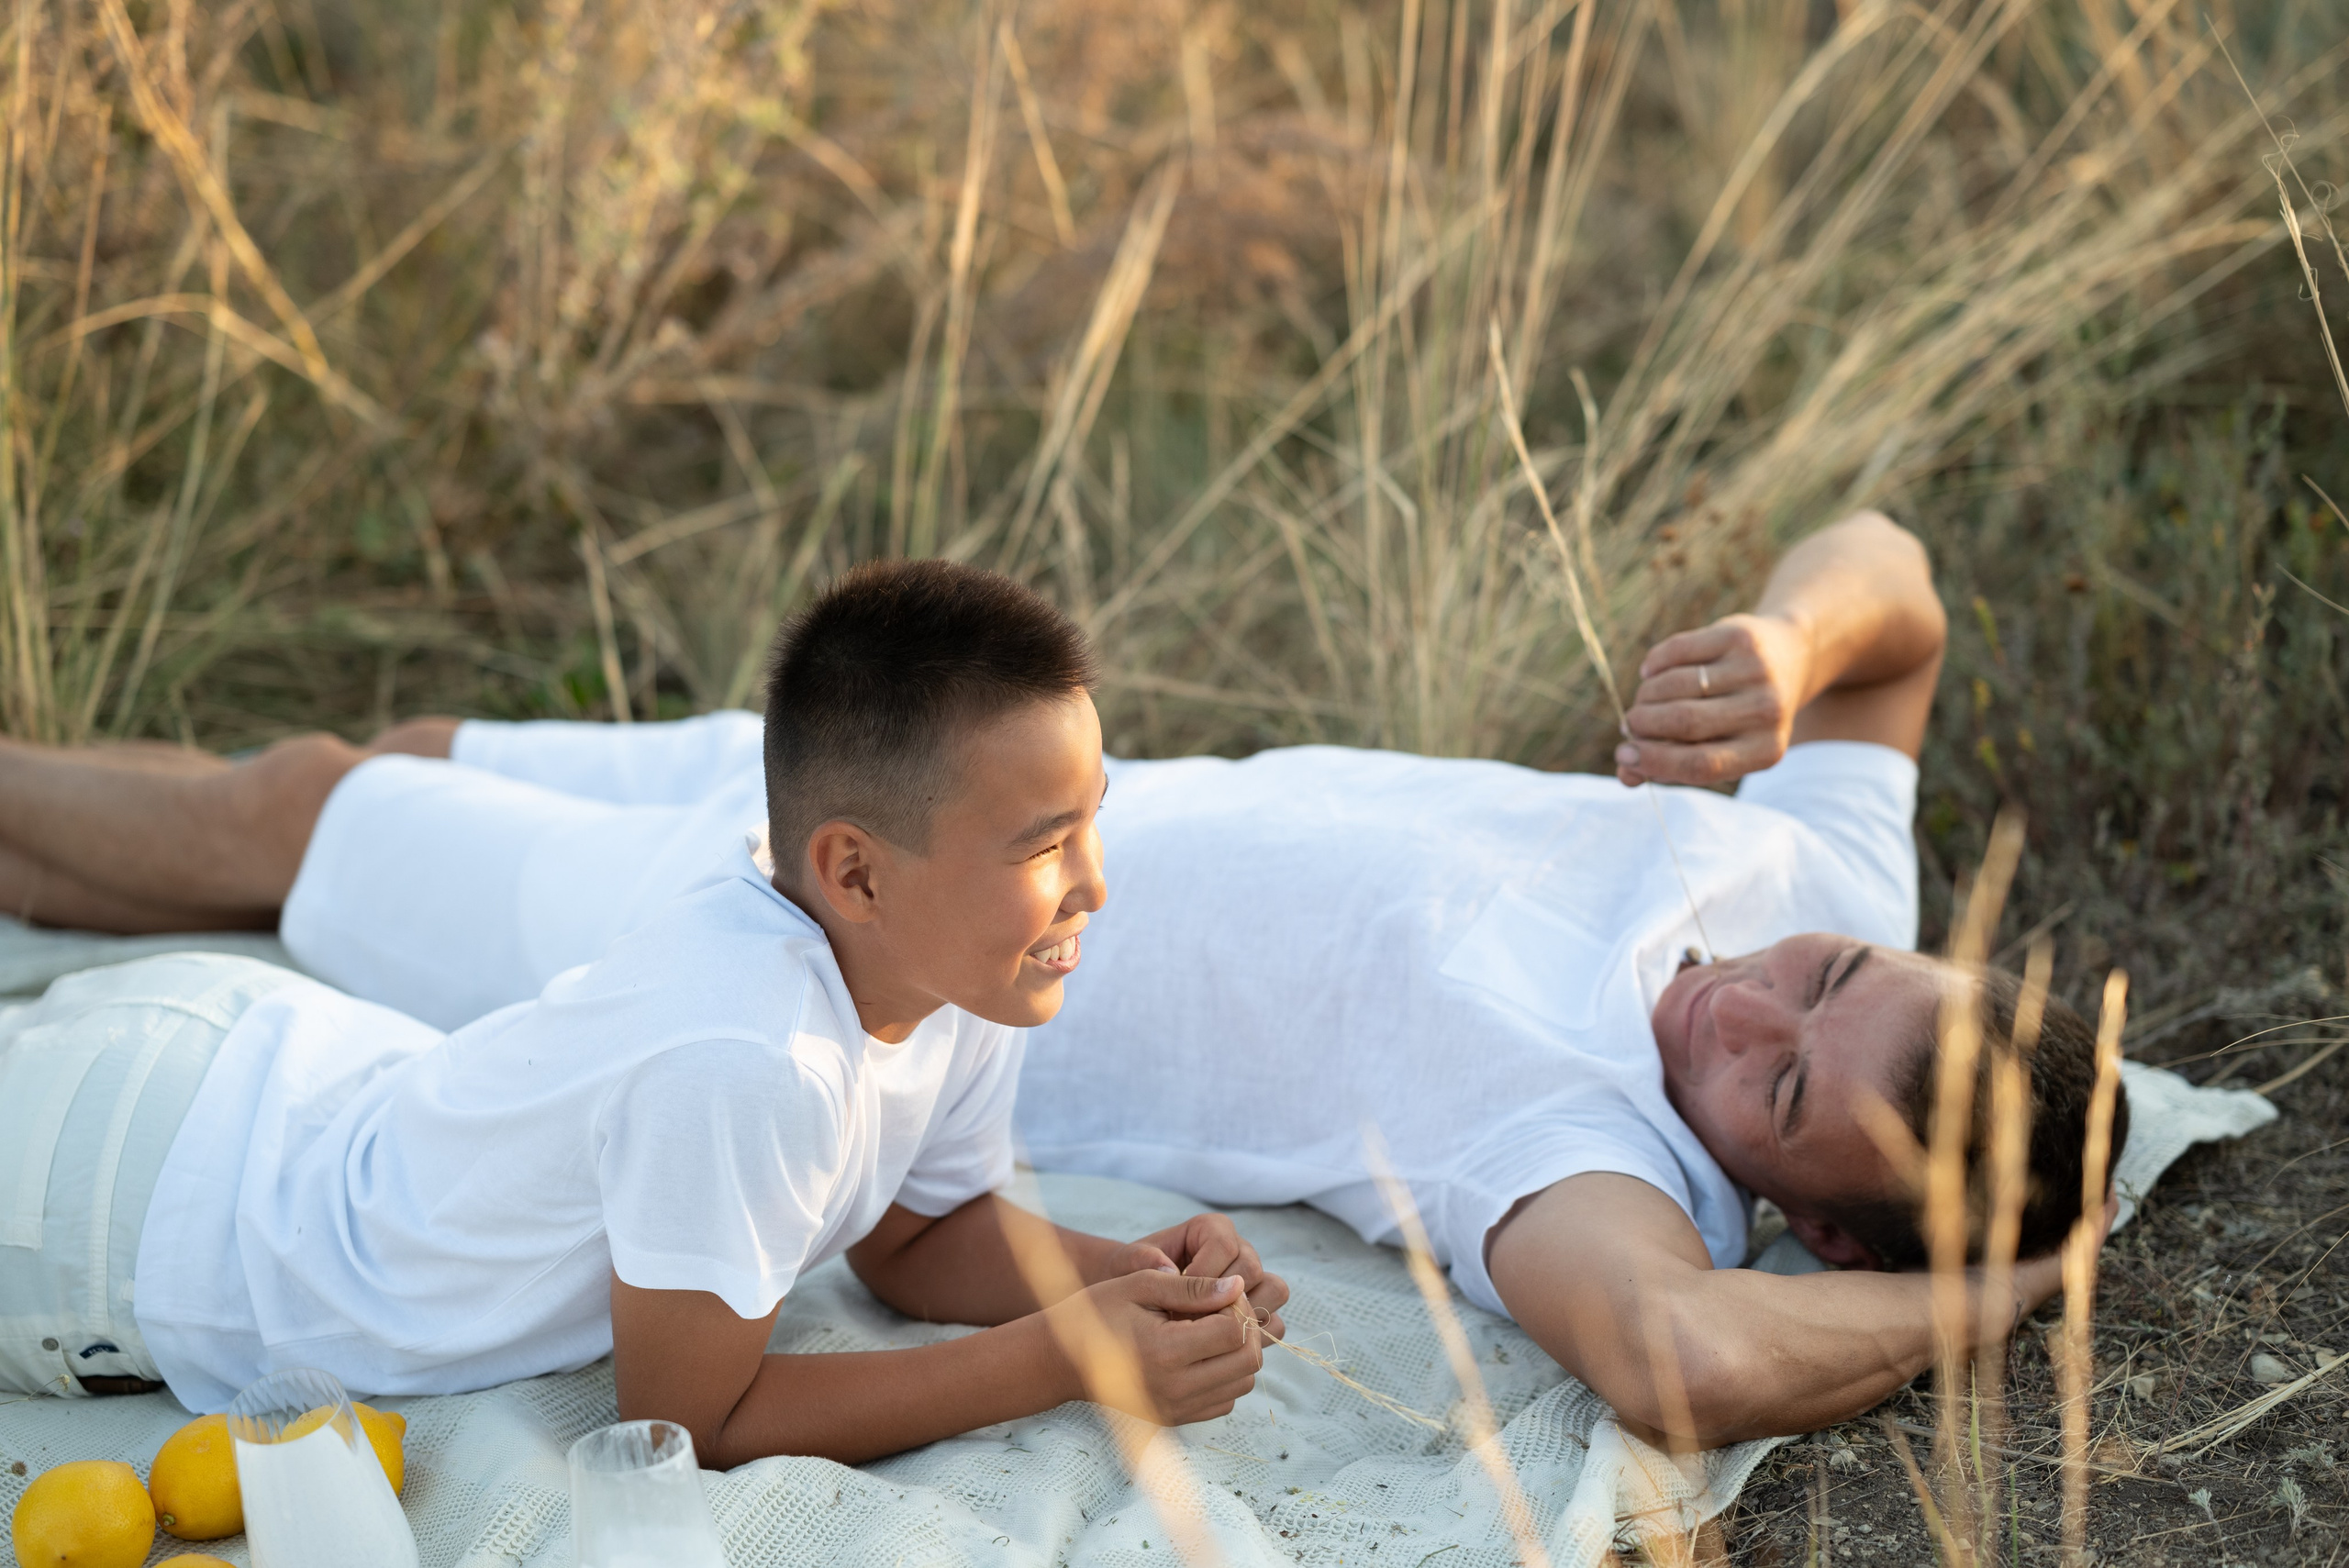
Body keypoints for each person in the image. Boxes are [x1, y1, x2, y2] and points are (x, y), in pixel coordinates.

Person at [0, 512, 2122, 1447]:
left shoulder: (1577, 1157)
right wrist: (1784, 644)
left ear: (1812, 1223)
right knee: (372, 771)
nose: (1736, 1007)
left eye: (1769, 1093)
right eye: (1822, 974)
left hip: (891, 953)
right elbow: (1896, 589)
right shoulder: (1806, 847)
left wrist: (2016, 1295)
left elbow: (1677, 1359)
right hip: (930, 788)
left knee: (288, 818)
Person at [0, 561, 1287, 1468]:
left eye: (1094, 817)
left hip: (265, 1072)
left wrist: (1133, 1282)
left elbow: (912, 1232)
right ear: (855, 871)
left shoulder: (952, 974)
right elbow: (692, 1422)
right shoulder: (749, 1054)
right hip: (137, 1215)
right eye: (1044, 842)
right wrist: (1066, 1354)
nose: (1097, 882)